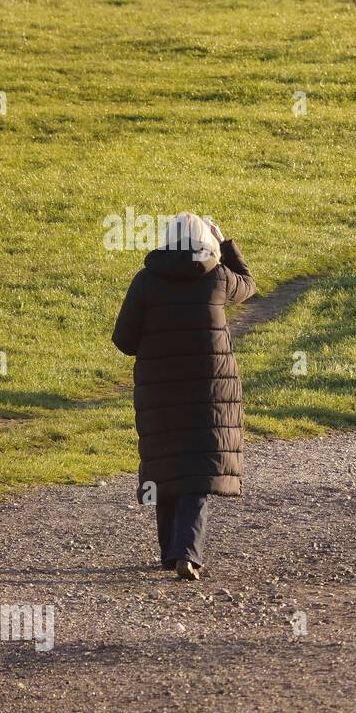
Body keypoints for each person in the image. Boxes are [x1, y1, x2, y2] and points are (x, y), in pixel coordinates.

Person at [113, 212, 256, 581]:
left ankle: (170, 552)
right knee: (198, 474)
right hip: (210, 394)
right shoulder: (218, 278)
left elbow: (124, 341)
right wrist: (225, 244)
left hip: (160, 392)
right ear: (204, 243)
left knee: (167, 467)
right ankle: (187, 553)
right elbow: (250, 284)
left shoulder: (145, 282)